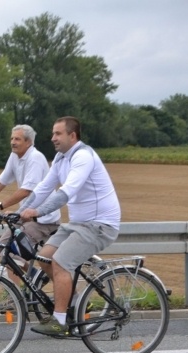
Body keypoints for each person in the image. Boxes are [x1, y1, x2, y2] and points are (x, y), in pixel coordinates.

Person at [20, 116, 121, 335]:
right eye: (53, 133)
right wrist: (20, 211)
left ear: (72, 135)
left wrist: (36, 212)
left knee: (61, 262)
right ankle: (74, 302)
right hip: (77, 224)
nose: (53, 138)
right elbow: (43, 188)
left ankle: (59, 321)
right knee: (44, 258)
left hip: (99, 225)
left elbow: (66, 192)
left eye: (58, 133)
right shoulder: (60, 158)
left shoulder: (83, 157)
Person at [0, 124, 61, 276]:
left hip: (43, 219)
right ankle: (35, 275)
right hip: (25, 215)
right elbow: (1, 182)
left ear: (28, 142)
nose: (13, 142)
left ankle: (14, 299)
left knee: (12, 253)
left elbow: (26, 191)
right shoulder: (15, 156)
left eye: (17, 139)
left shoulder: (35, 158)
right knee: (1, 249)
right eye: (12, 138)